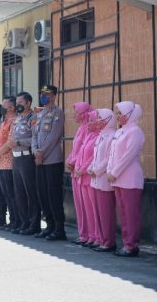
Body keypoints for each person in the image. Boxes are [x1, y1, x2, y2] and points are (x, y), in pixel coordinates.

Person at [107, 101, 145, 257]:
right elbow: (112, 154)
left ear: (129, 114)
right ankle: (126, 243)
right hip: (118, 178)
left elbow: (128, 156)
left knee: (131, 213)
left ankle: (132, 245)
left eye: (120, 113)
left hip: (130, 177)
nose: (117, 116)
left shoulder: (135, 131)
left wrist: (113, 172)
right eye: (116, 113)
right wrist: (110, 170)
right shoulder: (119, 132)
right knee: (122, 212)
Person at [32, 85, 67, 240]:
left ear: (53, 96)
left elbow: (54, 136)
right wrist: (35, 151)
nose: (43, 96)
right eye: (42, 94)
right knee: (43, 194)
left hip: (52, 160)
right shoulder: (39, 114)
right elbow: (34, 135)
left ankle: (59, 229)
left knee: (54, 195)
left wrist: (41, 152)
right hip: (39, 160)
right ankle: (50, 225)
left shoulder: (57, 113)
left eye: (46, 94)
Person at [8, 91, 40, 235]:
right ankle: (24, 222)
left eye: (21, 102)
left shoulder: (33, 118)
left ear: (28, 103)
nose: (18, 105)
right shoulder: (17, 118)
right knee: (19, 193)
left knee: (30, 192)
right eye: (17, 103)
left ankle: (34, 224)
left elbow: (35, 138)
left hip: (27, 158)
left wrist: (19, 142)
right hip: (16, 158)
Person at [88, 108, 118, 252]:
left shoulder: (112, 135)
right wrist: (91, 167)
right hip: (95, 179)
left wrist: (97, 169)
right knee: (98, 212)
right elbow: (96, 156)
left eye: (101, 118)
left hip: (104, 179)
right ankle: (101, 239)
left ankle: (108, 241)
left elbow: (109, 158)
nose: (98, 120)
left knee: (106, 213)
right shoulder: (101, 135)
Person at [65, 102, 92, 245]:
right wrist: (70, 159)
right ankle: (83, 234)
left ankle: (90, 234)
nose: (75, 116)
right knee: (80, 205)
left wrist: (74, 161)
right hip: (75, 170)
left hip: (83, 170)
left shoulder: (89, 128)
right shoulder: (81, 128)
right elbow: (76, 148)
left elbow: (85, 150)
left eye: (77, 112)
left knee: (88, 207)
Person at [74, 110, 101, 246]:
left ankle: (97, 236)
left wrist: (82, 169)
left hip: (89, 176)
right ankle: (89, 235)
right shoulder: (89, 135)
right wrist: (77, 167)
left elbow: (92, 157)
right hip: (81, 175)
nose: (90, 123)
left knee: (94, 208)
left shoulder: (98, 136)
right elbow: (79, 153)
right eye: (89, 120)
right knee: (86, 209)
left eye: (92, 120)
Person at [0, 97, 18, 231]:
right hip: (0, 163)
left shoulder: (14, 121)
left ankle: (15, 220)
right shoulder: (4, 122)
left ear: (12, 107)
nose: (2, 108)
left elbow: (9, 142)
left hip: (9, 162)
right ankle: (11, 220)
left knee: (12, 194)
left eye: (4, 106)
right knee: (6, 193)